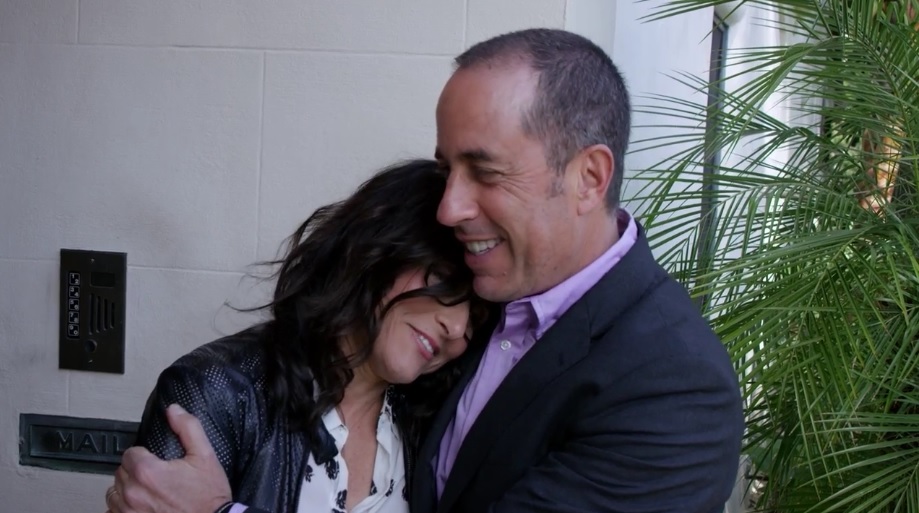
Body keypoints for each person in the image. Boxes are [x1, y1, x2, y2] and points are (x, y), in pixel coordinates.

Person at [106, 28, 744, 513]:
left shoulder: (676, 388)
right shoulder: (487, 311)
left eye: (485, 172)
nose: (449, 207)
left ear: (589, 177)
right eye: (446, 170)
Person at [104, 159, 489, 513]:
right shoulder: (218, 392)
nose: (456, 328)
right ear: (376, 249)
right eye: (442, 281)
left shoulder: (435, 427)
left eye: (475, 317)